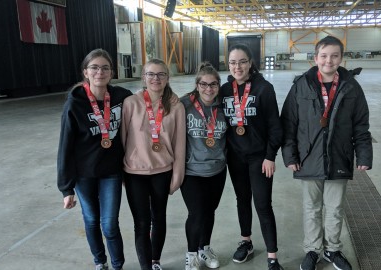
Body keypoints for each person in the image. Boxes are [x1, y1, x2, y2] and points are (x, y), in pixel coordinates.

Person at [280, 35, 373, 270]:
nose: (328, 61)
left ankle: (332, 249)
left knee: (335, 209)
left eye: (334, 56)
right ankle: (313, 250)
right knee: (311, 208)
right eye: (323, 56)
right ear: (315, 58)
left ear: (341, 58)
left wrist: (363, 155)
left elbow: (361, 124)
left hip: (339, 156)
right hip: (308, 157)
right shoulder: (301, 85)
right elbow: (289, 123)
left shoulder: (351, 87)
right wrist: (290, 156)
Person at [57, 48, 131, 270]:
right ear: (85, 72)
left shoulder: (121, 97)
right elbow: (65, 148)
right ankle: (100, 262)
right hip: (84, 174)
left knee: (109, 224)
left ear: (111, 72)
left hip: (111, 172)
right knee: (91, 220)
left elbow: (148, 103)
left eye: (105, 68)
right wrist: (66, 188)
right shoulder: (75, 103)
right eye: (95, 67)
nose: (100, 72)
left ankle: (117, 265)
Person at [220, 44, 284, 270]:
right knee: (242, 200)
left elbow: (275, 126)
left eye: (242, 61)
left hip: (259, 158)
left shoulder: (264, 89)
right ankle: (246, 241)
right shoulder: (225, 89)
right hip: (235, 158)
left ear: (250, 63)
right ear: (228, 64)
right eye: (233, 62)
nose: (238, 67)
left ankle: (272, 256)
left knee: (263, 204)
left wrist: (270, 156)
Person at [121, 58, 186, 270]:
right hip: (134, 173)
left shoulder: (175, 105)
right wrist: (121, 172)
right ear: (144, 77)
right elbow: (122, 139)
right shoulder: (131, 103)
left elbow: (179, 144)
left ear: (167, 78)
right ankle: (145, 267)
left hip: (162, 171)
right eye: (150, 74)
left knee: (159, 218)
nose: (155, 79)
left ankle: (155, 260)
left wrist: (178, 174)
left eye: (160, 74)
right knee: (141, 223)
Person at [179, 62, 228, 270]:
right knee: (197, 213)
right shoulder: (183, 105)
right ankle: (191, 255)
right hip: (192, 171)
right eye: (204, 84)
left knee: (209, 211)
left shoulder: (224, 106)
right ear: (197, 85)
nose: (209, 89)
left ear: (219, 85)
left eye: (214, 84)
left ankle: (204, 248)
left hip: (217, 169)